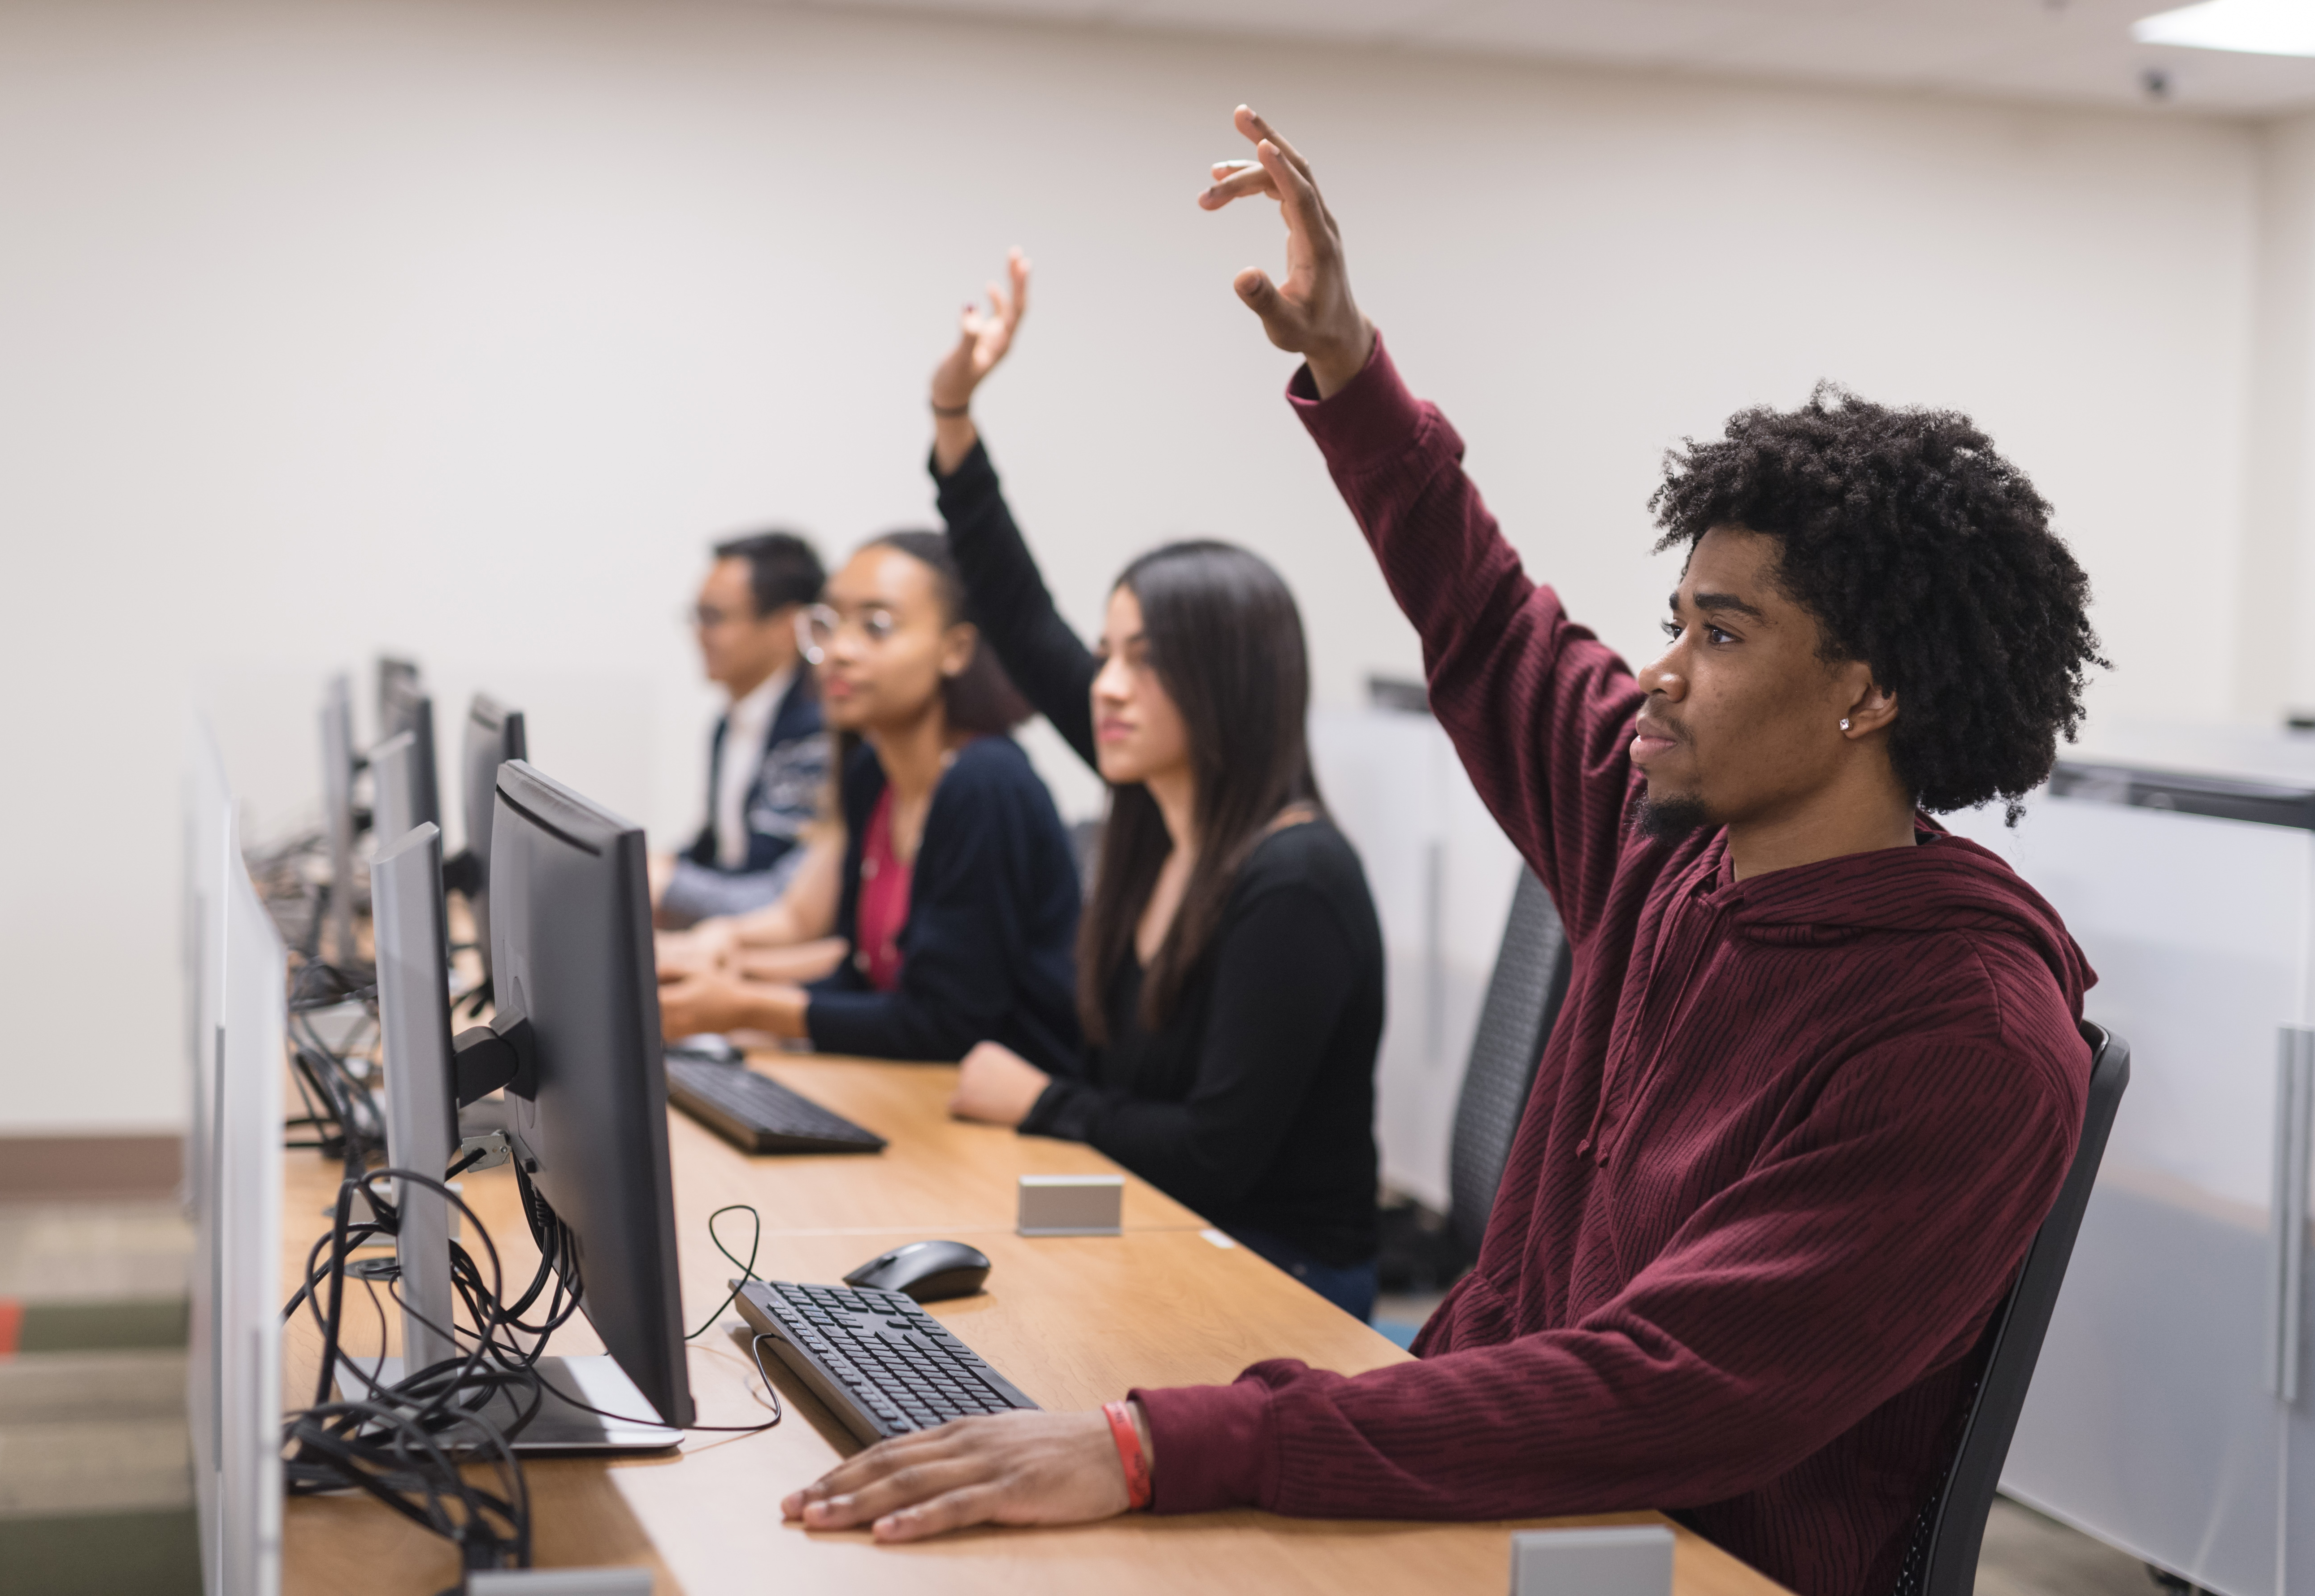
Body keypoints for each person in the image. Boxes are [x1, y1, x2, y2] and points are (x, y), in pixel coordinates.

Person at [781, 105, 2108, 1596]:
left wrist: (1167, 1447)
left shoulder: (1967, 1042)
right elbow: (1487, 615)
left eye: (1720, 636)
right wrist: (1349, 368)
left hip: (1678, 1561)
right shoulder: (1670, 844)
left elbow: (1662, 1392)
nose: (1662, 671)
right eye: (1674, 621)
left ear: (1873, 694)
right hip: (1497, 1497)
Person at [923, 251, 1386, 1319]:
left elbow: (1217, 1156)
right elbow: (1018, 613)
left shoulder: (1295, 880)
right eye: (1107, 652)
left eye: (1144, 659)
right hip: (1161, 1220)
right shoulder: (1154, 806)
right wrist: (951, 412)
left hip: (1281, 1277)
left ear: (1225, 683)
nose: (1107, 686)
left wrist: (1040, 1099)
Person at [656, 531, 1083, 1068]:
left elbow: (947, 1023)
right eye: (828, 625)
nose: (839, 651)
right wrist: (729, 978)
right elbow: (862, 975)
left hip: (1001, 1110)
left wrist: (745, 1005)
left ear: (956, 650)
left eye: (876, 627)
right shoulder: (872, 774)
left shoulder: (985, 782)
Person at [652, 530, 834, 928]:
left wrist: (666, 884)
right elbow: (717, 847)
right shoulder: (728, 723)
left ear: (789, 626)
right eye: (697, 615)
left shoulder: (817, 734)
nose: (699, 633)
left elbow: (776, 891)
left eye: (714, 617)